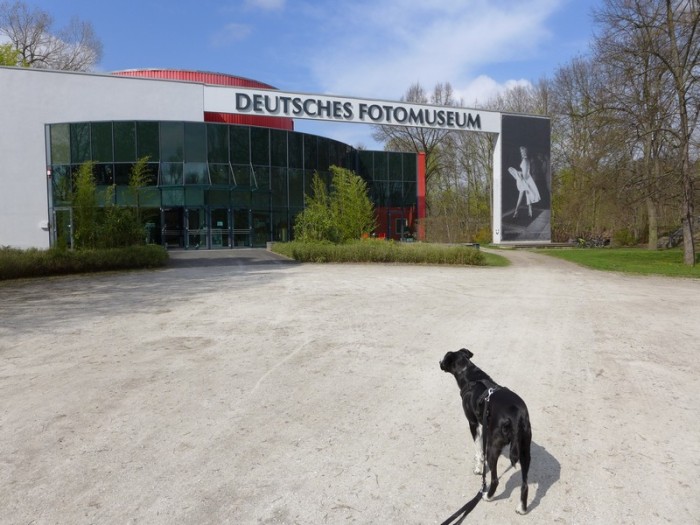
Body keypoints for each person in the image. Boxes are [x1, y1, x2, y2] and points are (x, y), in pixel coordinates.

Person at [508, 146, 541, 218]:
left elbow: (525, 174)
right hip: (527, 179)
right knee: (528, 195)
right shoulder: (526, 160)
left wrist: (518, 173)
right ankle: (530, 211)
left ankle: (516, 211)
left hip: (525, 180)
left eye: (522, 152)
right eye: (521, 152)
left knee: (521, 195)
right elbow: (525, 172)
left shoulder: (525, 160)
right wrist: (519, 173)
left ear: (525, 152)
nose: (521, 153)